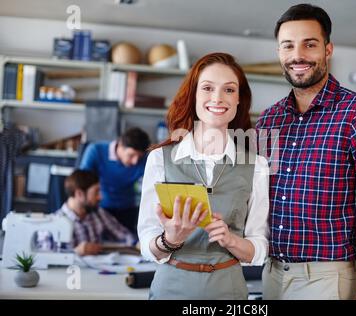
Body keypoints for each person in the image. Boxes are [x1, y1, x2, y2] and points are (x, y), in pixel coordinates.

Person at [256, 4, 356, 300]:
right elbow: (256, 197)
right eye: (288, 46)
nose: (297, 55)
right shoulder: (268, 119)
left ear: (328, 49)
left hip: (329, 279)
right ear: (279, 53)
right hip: (272, 275)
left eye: (309, 44)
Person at [138, 52, 270, 299]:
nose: (218, 98)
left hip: (228, 290)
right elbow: (146, 242)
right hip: (170, 288)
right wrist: (170, 239)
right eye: (207, 88)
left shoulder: (258, 166)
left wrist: (231, 240)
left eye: (229, 90)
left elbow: (259, 247)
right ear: (194, 95)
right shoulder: (160, 159)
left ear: (239, 99)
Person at [79, 127, 150, 235]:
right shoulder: (96, 151)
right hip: (100, 209)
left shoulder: (143, 160)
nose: (135, 162)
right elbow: (82, 180)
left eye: (139, 157)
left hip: (128, 210)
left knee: (129, 243)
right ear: (120, 146)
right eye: (131, 155)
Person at [54, 169, 136, 256]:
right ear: (79, 194)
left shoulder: (98, 213)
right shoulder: (55, 222)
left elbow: (123, 234)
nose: (100, 197)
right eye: (96, 192)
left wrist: (137, 244)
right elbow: (46, 256)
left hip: (100, 267)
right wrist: (76, 252)